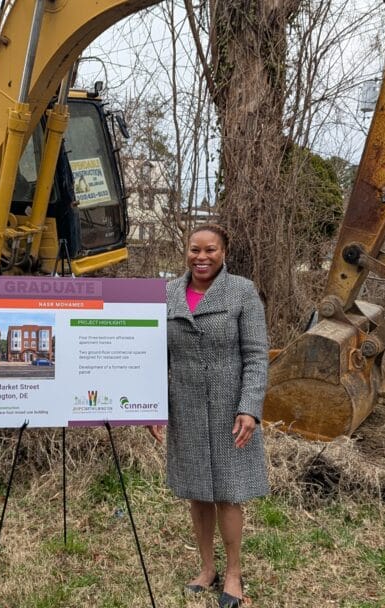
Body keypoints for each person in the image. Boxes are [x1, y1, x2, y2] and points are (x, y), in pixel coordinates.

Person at [149, 223, 269, 608]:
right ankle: (207, 568)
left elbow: (256, 356)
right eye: (195, 249)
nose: (201, 257)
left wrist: (249, 408)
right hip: (184, 406)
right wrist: (154, 405)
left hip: (230, 409)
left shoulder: (242, 292)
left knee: (229, 493)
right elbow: (155, 356)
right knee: (197, 491)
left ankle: (233, 573)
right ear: (186, 250)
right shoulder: (167, 293)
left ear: (224, 253)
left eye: (210, 250)